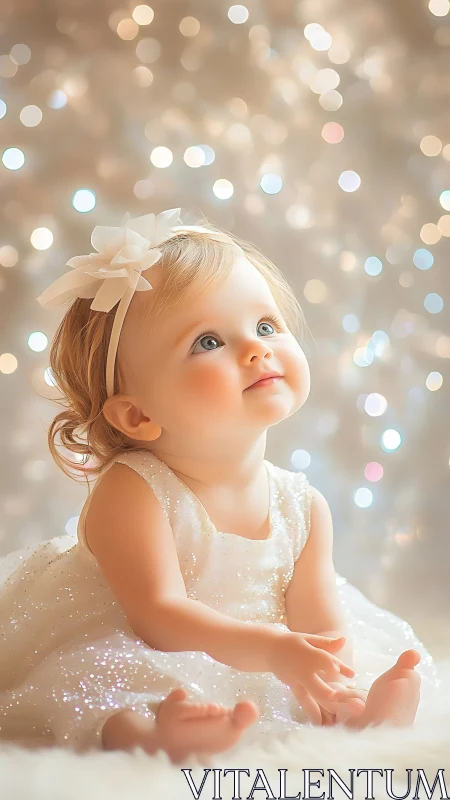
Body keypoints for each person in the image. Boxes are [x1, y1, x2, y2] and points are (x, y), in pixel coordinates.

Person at [0, 208, 441, 764]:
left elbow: (319, 618)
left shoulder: (303, 505)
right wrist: (271, 649)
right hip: (151, 640)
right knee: (109, 676)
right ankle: (146, 734)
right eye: (208, 341)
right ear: (137, 415)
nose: (256, 349)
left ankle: (352, 713)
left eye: (265, 326)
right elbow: (159, 618)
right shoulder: (134, 491)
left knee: (322, 671)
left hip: (258, 651)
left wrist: (329, 675)